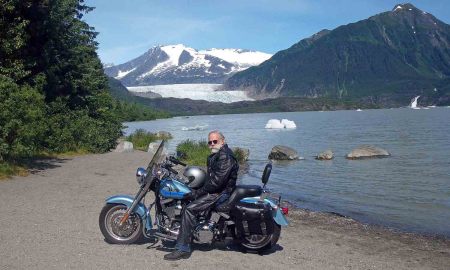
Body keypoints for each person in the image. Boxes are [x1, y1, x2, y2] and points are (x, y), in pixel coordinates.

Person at [164, 130, 239, 261]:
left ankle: (182, 248)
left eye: (215, 141)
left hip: (220, 193)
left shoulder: (225, 157)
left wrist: (198, 193)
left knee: (189, 209)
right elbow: (213, 178)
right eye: (209, 142)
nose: (212, 144)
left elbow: (217, 183)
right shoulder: (216, 155)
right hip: (218, 190)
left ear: (223, 141)